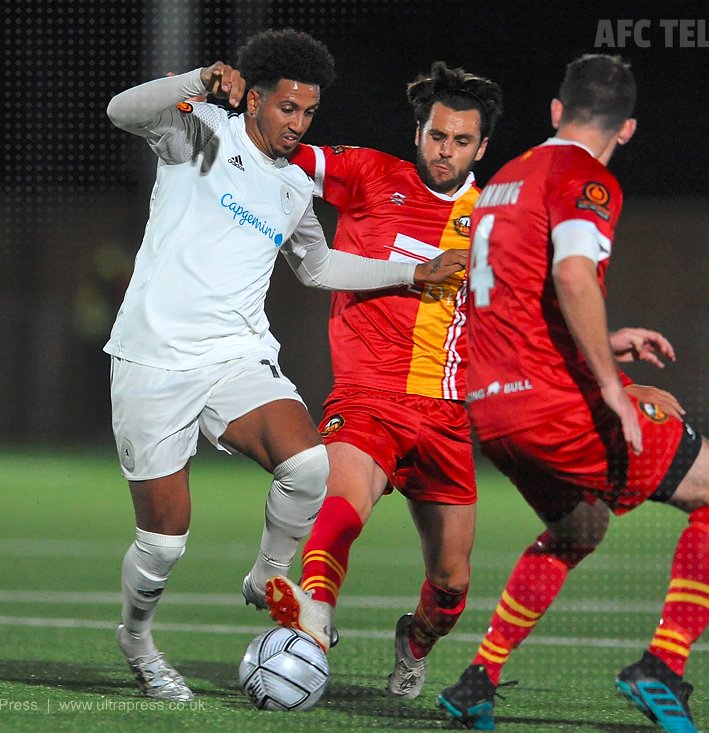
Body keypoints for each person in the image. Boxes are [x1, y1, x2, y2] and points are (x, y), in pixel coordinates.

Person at [104, 29, 467, 702]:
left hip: (235, 354)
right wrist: (194, 81)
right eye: (287, 110)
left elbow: (317, 265)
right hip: (153, 357)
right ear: (254, 100)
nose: (299, 126)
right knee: (162, 543)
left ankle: (266, 574)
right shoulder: (201, 132)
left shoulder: (294, 185)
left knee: (308, 466)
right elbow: (120, 111)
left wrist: (413, 271)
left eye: (309, 114)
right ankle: (138, 638)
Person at [437, 54, 709, 733]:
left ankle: (478, 679)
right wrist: (613, 390)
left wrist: (604, 347)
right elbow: (574, 275)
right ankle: (662, 665)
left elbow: (513, 300)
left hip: (491, 409)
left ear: (556, 111)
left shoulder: (505, 179)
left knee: (579, 525)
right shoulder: (585, 177)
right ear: (629, 128)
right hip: (550, 409)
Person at [262, 62, 503, 699]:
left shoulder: (496, 221)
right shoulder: (370, 174)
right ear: (417, 131)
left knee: (451, 586)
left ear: (481, 148)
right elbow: (278, 146)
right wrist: (212, 108)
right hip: (367, 399)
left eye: (459, 141)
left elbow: (527, 322)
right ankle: (312, 625)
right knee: (340, 511)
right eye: (434, 136)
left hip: (446, 417)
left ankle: (414, 640)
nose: (443, 150)